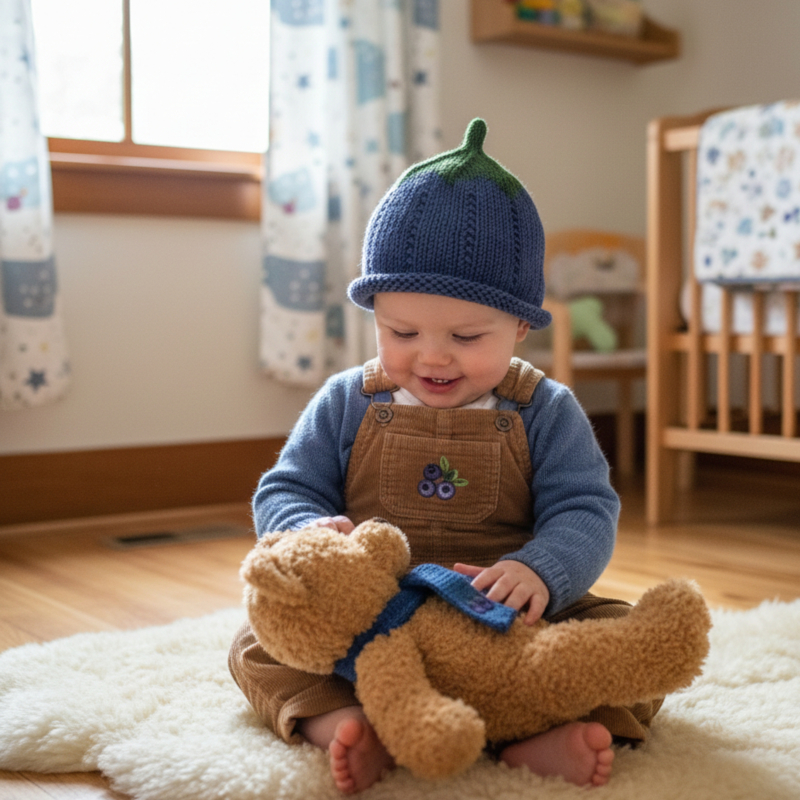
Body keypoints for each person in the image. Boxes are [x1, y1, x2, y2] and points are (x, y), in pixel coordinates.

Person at [229, 118, 660, 793]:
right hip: (370, 627)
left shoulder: (545, 410)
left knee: (626, 639)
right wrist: (308, 534)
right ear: (375, 313)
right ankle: (340, 723)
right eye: (401, 332)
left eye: (465, 337)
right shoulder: (347, 400)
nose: (432, 357)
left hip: (507, 627)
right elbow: (287, 487)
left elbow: (585, 508)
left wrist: (541, 571)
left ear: (520, 325)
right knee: (256, 644)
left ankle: (535, 739)